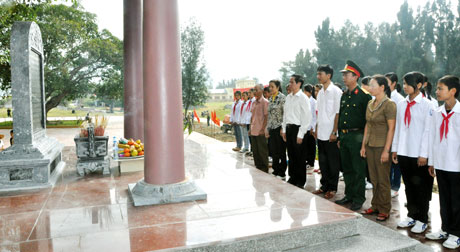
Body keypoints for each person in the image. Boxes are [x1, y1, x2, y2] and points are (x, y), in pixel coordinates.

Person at [392, 71, 434, 234]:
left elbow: (428, 131)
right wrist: (395, 149)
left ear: (418, 85)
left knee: (421, 187)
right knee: (409, 185)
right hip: (404, 151)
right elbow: (399, 128)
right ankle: (411, 215)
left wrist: (424, 154)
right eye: (405, 83)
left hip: (419, 154)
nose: (406, 86)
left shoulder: (427, 105)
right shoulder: (402, 104)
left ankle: (422, 219)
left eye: (409, 83)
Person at [425, 75, 460, 249]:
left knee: (457, 200)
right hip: (441, 163)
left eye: (441, 88)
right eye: (437, 89)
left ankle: (457, 233)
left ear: (453, 91)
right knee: (444, 199)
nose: (437, 92)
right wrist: (432, 162)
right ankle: (445, 229)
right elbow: (433, 139)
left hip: (457, 165)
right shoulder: (437, 112)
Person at [335, 60, 372, 211]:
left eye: (347, 75)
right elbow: (342, 115)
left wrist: (364, 141)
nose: (344, 77)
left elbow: (368, 121)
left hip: (358, 136)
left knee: (358, 170)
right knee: (347, 168)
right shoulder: (344, 95)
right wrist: (339, 136)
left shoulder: (364, 96)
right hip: (344, 137)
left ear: (355, 76)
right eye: (343, 75)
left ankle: (358, 198)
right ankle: (349, 194)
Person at [360, 75, 396, 221]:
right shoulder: (370, 103)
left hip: (382, 146)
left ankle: (385, 208)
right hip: (370, 145)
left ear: (382, 87)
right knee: (374, 178)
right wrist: (363, 146)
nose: (370, 88)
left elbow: (391, 128)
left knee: (383, 179)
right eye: (370, 85)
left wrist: (386, 150)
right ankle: (375, 205)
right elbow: (367, 125)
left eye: (373, 85)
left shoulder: (389, 104)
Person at [312, 65, 342, 199]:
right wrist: (317, 129)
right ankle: (324, 185)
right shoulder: (320, 93)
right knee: (323, 162)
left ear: (328, 75)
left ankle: (332, 188)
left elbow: (337, 113)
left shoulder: (336, 91)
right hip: (322, 132)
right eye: (317, 74)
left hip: (331, 133)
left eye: (321, 74)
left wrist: (335, 132)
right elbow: (318, 113)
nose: (318, 76)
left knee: (332, 162)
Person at [281, 74, 312, 188]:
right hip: (289, 129)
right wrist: (283, 129)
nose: (290, 84)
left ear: (299, 83)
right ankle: (292, 177)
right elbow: (285, 115)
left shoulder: (303, 98)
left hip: (298, 129)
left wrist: (301, 134)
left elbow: (307, 117)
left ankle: (300, 180)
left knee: (300, 156)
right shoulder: (288, 97)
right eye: (290, 82)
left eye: (292, 82)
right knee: (291, 155)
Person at [385, 72, 405, 198]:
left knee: (395, 161)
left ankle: (395, 186)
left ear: (393, 83)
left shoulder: (399, 99)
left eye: (386, 82)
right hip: (385, 134)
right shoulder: (383, 97)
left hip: (395, 134)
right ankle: (388, 184)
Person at [266, 80, 287, 179]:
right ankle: (275, 169)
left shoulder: (283, 98)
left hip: (279, 127)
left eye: (272, 87)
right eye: (269, 87)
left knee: (281, 151)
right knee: (273, 150)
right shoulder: (270, 99)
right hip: (272, 127)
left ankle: (282, 172)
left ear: (278, 87)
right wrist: (267, 128)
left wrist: (283, 128)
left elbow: (285, 114)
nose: (270, 88)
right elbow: (269, 115)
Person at [250, 84, 269, 172]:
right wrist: (250, 128)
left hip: (260, 130)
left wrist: (263, 128)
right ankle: (258, 167)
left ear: (261, 91)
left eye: (256, 90)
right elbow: (252, 116)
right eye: (254, 90)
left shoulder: (265, 102)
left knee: (262, 151)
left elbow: (266, 116)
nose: (254, 92)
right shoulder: (253, 102)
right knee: (255, 151)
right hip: (253, 129)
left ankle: (264, 169)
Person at [303, 84, 317, 170]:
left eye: (305, 91)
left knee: (311, 146)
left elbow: (314, 116)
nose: (304, 93)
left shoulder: (313, 102)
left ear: (310, 92)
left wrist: (313, 127)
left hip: (311, 127)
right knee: (306, 146)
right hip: (305, 127)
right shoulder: (305, 100)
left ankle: (311, 162)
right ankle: (306, 160)